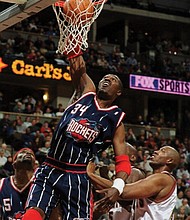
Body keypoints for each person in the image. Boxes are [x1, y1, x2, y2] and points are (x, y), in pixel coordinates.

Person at [20, 51, 131, 220]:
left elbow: (122, 160)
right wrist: (74, 44)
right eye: (105, 77)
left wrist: (117, 186)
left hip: (78, 175)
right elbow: (78, 67)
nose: (107, 79)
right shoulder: (86, 92)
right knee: (31, 215)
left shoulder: (116, 120)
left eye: (113, 79)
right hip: (51, 167)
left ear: (119, 93)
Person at [95, 146, 180, 220]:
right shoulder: (155, 179)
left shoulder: (163, 178)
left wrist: (91, 175)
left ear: (169, 160)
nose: (156, 151)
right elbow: (123, 198)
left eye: (162, 151)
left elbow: (123, 192)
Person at [87, 142, 145, 220]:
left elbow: (123, 193)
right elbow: (110, 191)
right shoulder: (118, 173)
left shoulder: (135, 171)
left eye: (122, 149)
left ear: (132, 157)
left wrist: (91, 175)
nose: (117, 150)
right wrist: (104, 176)